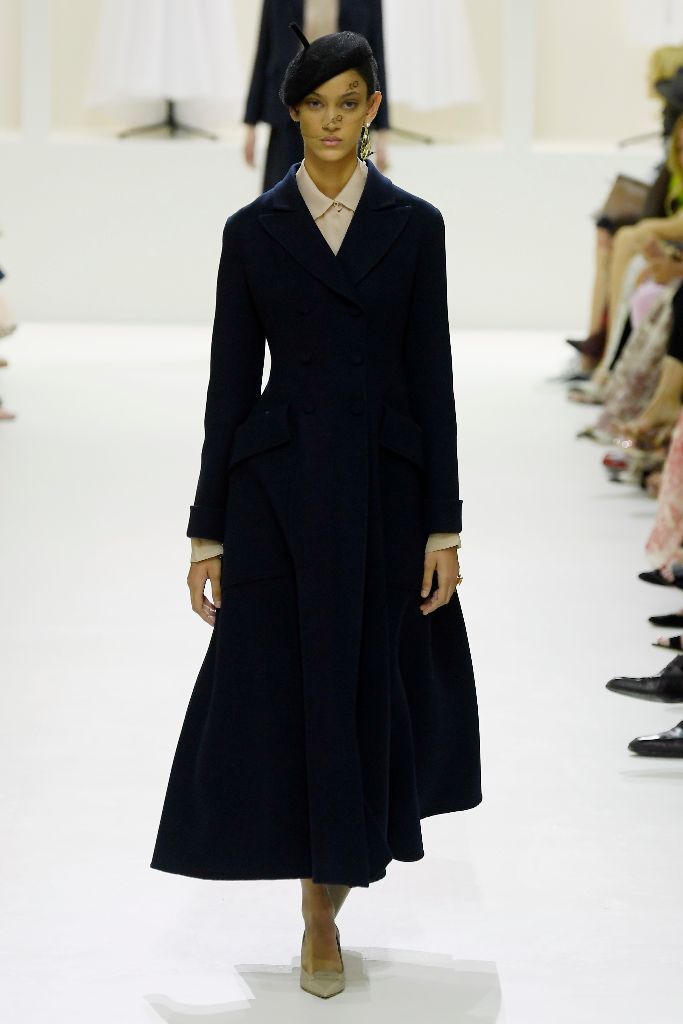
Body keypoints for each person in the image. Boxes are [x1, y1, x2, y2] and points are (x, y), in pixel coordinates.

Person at [150, 23, 482, 1000]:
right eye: (314, 105)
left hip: (383, 491)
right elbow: (227, 386)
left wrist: (444, 525)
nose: (331, 122)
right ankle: (317, 911)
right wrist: (206, 530)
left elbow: (430, 377)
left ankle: (327, 896)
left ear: (371, 110)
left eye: (347, 103)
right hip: (281, 494)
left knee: (362, 685)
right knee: (290, 689)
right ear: (291, 113)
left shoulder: (413, 225)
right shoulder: (252, 232)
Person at [243, 0, 390, 192]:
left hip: (345, 113)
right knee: (282, 197)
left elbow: (375, 56)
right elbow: (265, 49)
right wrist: (251, 124)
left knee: (341, 199)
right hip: (290, 111)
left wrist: (382, 132)